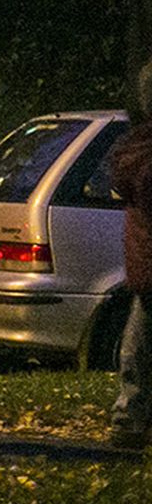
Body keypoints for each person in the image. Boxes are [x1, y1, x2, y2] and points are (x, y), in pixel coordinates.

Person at [107, 62, 152, 452]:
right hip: (150, 266)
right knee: (139, 345)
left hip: (147, 267)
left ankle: (131, 416)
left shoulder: (135, 148)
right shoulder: (140, 151)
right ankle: (130, 416)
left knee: (139, 342)